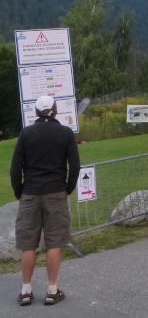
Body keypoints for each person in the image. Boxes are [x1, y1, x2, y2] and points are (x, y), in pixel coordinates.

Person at [10, 96, 81, 306]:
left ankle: (26, 291)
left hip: (30, 193)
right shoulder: (65, 133)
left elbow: (15, 168)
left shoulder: (26, 133)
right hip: (56, 192)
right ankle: (51, 290)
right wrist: (68, 189)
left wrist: (19, 192)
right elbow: (74, 166)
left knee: (28, 244)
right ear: (56, 111)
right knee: (54, 241)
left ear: (35, 113)